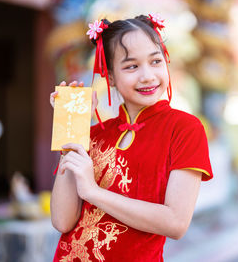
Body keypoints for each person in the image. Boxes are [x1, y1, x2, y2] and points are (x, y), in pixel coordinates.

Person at [49, 14, 213, 262]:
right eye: (131, 66)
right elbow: (62, 221)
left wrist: (93, 192)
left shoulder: (185, 129)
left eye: (155, 61)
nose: (147, 76)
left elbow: (176, 222)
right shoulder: (93, 134)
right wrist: (72, 127)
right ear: (110, 76)